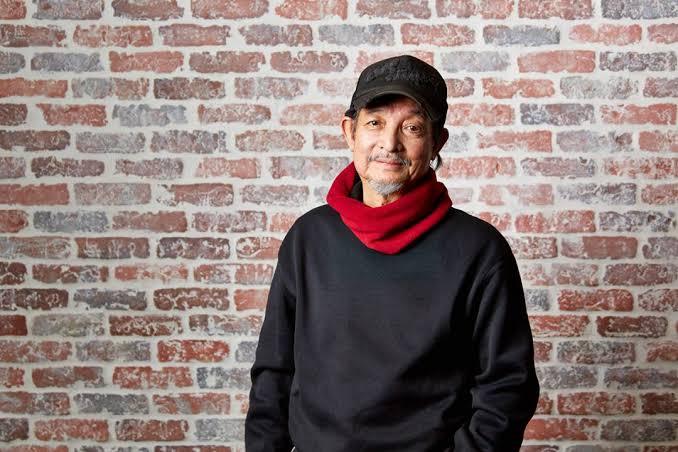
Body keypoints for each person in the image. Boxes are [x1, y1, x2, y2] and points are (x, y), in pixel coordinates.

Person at [245, 55, 539, 452]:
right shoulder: (308, 238)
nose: (390, 144)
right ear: (349, 132)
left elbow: (507, 388)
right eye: (375, 123)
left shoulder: (480, 252)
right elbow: (273, 374)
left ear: (437, 142)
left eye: (412, 127)